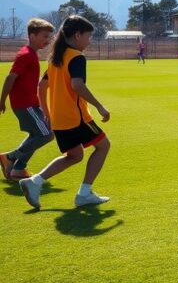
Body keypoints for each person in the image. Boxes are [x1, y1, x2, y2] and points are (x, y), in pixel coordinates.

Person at [18, 15, 113, 210]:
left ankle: (35, 182)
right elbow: (77, 84)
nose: (89, 41)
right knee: (103, 146)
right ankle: (84, 193)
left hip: (60, 119)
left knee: (75, 155)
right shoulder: (76, 57)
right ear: (77, 35)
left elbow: (41, 86)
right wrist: (99, 106)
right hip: (76, 117)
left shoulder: (55, 59)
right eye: (88, 36)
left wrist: (47, 113)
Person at [0, 19, 55, 182]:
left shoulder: (31, 54)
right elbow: (11, 78)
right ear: (32, 35)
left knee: (36, 134)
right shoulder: (26, 55)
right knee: (46, 134)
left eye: (49, 37)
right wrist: (2, 100)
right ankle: (9, 157)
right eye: (44, 36)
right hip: (25, 104)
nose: (47, 40)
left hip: (31, 103)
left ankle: (18, 168)